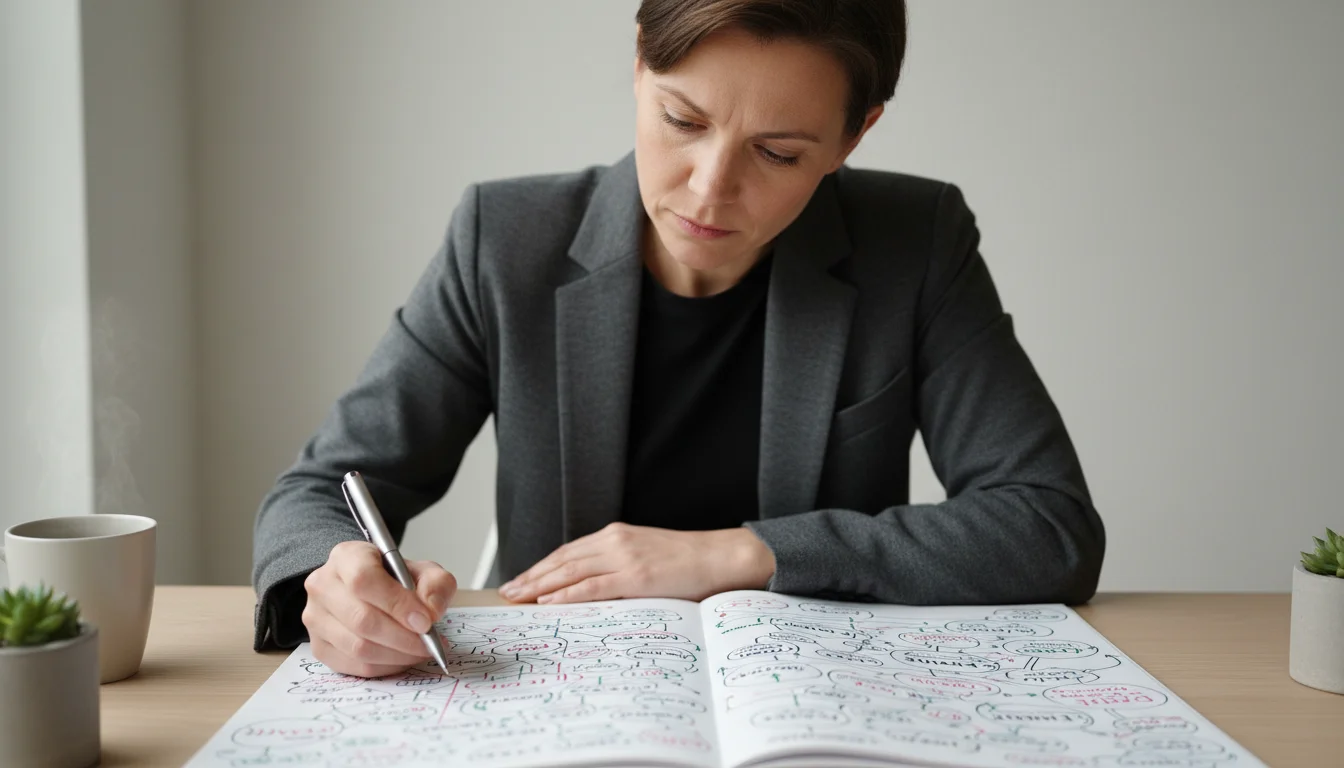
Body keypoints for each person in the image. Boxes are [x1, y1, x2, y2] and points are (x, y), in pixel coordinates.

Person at [252, 0, 1105, 678]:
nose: (710, 189)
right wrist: (334, 586)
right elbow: (321, 490)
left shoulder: (914, 246)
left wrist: (744, 554)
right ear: (637, 65)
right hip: (561, 703)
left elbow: (1047, 526)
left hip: (816, 700)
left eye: (775, 153)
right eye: (683, 121)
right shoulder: (504, 240)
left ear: (855, 135)